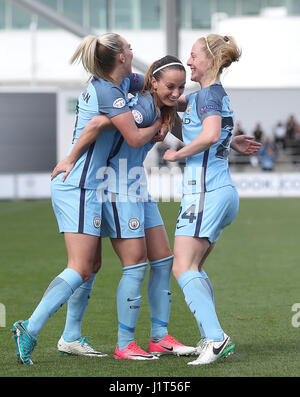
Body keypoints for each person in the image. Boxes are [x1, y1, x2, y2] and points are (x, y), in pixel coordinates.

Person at [11, 33, 162, 365]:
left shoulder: (123, 81)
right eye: (128, 47)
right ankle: (30, 328)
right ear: (120, 57)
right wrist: (158, 128)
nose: (132, 49)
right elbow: (133, 137)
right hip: (78, 185)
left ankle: (70, 337)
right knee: (80, 266)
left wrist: (172, 94)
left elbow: (154, 82)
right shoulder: (108, 90)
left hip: (89, 185)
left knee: (92, 265)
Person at [51, 55, 197, 360]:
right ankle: (125, 344)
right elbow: (97, 124)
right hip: (116, 188)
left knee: (162, 260)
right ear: (154, 82)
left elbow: (188, 125)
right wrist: (70, 157)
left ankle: (159, 337)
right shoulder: (144, 109)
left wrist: (225, 138)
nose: (177, 92)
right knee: (133, 264)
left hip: (136, 186)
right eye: (171, 86)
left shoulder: (160, 105)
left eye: (181, 87)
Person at [163, 34, 259, 365]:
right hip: (217, 190)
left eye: (192, 56)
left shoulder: (207, 95)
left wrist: (178, 154)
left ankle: (216, 338)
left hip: (206, 191)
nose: (188, 62)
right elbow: (207, 128)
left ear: (209, 61)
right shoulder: (210, 95)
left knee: (182, 265)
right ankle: (211, 334)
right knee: (194, 268)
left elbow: (211, 134)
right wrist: (231, 142)